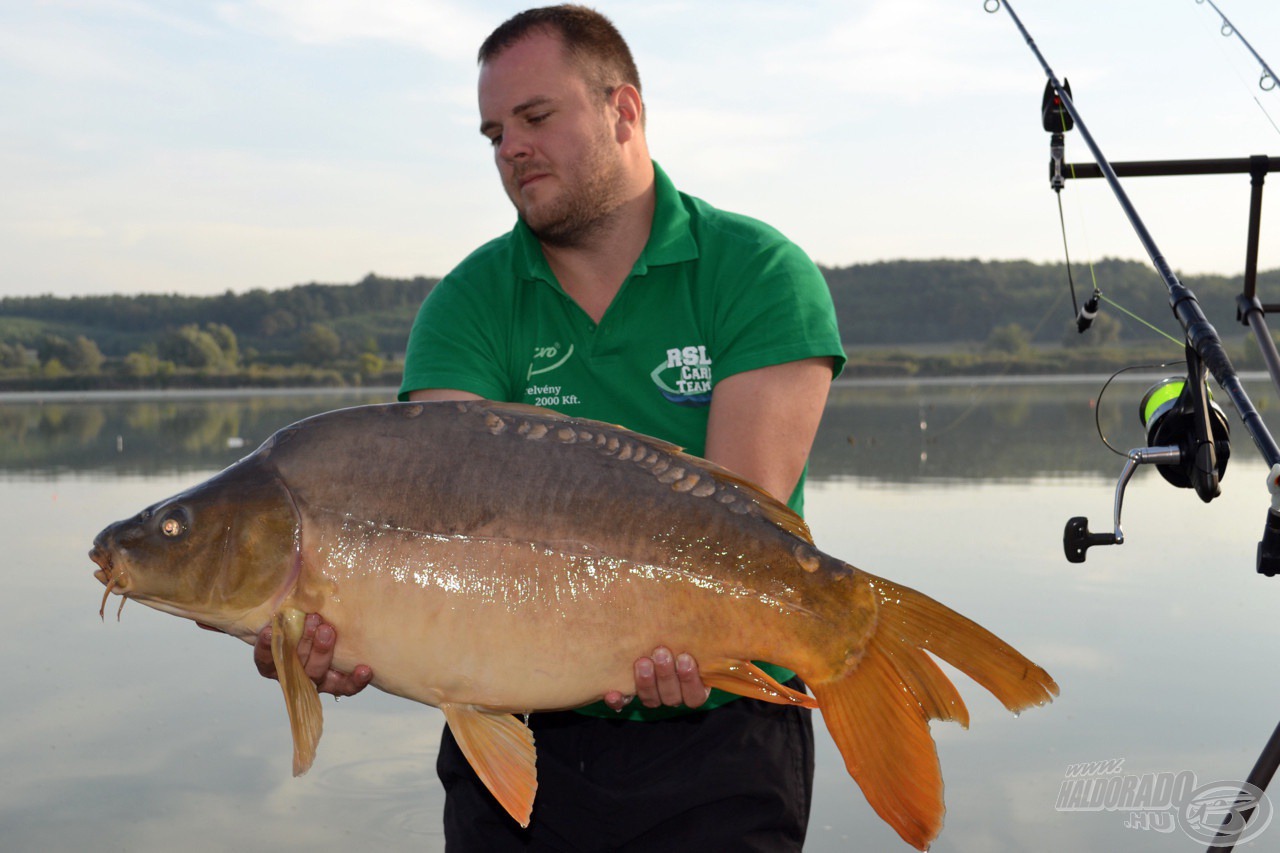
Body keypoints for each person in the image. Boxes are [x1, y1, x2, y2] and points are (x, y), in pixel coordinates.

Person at [254, 5, 845, 850]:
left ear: (624, 111)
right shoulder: (469, 305)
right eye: (494, 132)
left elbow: (740, 530)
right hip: (513, 732)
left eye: (535, 118)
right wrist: (350, 630)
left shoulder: (756, 272)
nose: (511, 149)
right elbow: (440, 521)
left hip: (723, 735)